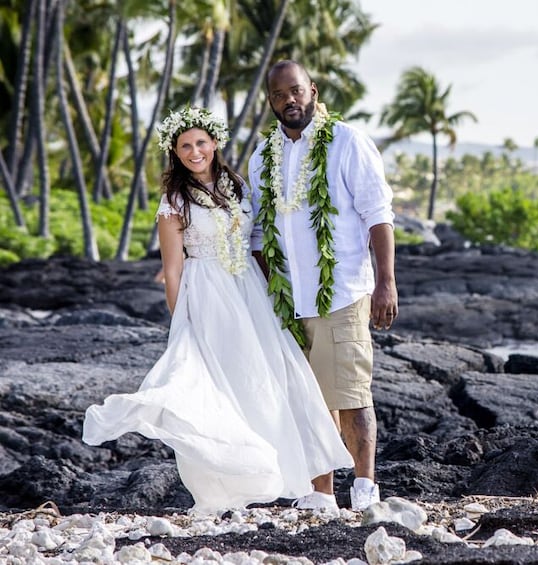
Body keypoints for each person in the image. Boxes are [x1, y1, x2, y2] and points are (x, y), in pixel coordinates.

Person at [83, 106, 353, 514]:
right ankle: (227, 485)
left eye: (201, 143)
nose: (195, 152)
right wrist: (183, 322)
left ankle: (287, 478)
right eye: (185, 146)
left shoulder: (237, 186)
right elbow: (172, 270)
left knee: (270, 379)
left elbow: (259, 242)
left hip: (251, 292)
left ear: (214, 144)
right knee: (218, 385)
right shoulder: (174, 201)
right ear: (174, 152)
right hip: (207, 295)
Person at [248, 60, 397, 512]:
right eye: (278, 95)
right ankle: (322, 493)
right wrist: (270, 287)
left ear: (312, 90)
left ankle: (366, 489)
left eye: (295, 91)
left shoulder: (348, 142)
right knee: (309, 400)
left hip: (343, 291)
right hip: (291, 301)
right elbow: (257, 234)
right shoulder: (262, 158)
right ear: (270, 102)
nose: (288, 100)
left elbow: (378, 214)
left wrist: (386, 283)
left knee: (350, 393)